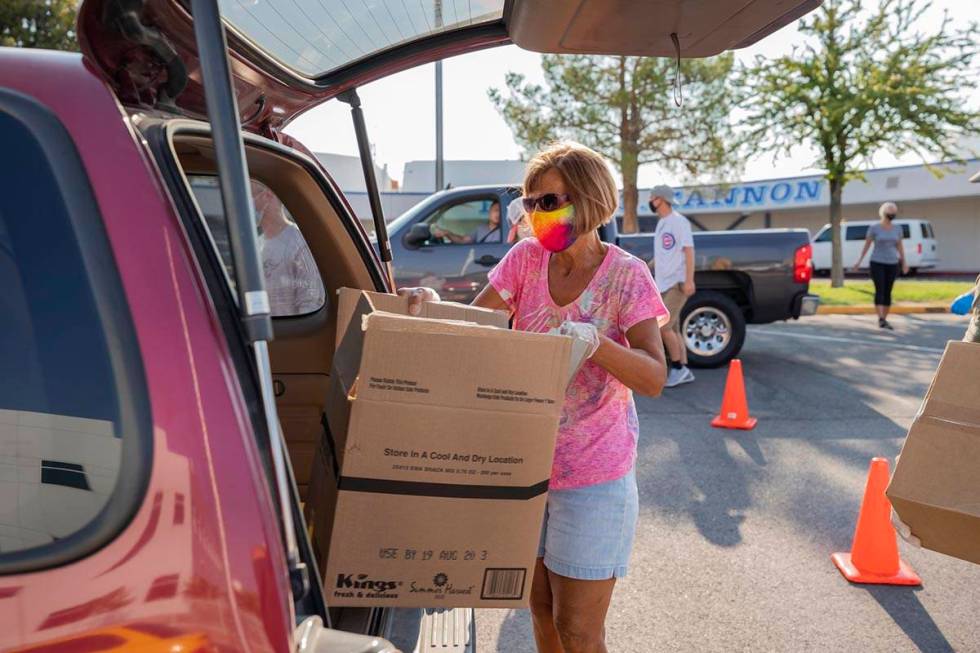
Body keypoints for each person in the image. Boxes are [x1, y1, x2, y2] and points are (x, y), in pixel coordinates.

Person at [402, 141, 669, 653]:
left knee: (580, 631)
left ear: (589, 201)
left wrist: (595, 343)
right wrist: (432, 306)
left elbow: (654, 376)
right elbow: (476, 326)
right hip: (523, 471)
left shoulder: (626, 276)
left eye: (549, 201)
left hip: (593, 477)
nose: (535, 214)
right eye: (529, 202)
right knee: (542, 617)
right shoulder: (524, 261)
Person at [252, 181, 325, 316]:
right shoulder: (257, 245)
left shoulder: (299, 242)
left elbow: (311, 302)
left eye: (249, 196)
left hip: (290, 335)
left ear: (268, 196)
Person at [649, 184, 696, 387]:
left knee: (664, 327)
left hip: (677, 283)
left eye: (652, 198)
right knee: (674, 329)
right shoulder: (662, 224)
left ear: (661, 199)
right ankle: (684, 368)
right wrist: (645, 266)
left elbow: (688, 251)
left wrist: (689, 280)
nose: (650, 201)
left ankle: (678, 368)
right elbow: (663, 254)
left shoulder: (679, 222)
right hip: (663, 284)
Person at [852, 201, 909, 330]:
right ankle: (881, 318)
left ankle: (885, 317)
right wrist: (859, 261)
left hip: (892, 263)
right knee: (880, 289)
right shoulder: (874, 228)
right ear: (883, 213)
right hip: (877, 262)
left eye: (894, 213)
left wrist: (904, 262)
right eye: (890, 212)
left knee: (888, 291)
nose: (892, 215)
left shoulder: (897, 229)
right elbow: (867, 245)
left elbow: (900, 246)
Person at [432, 200, 501, 244]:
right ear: (489, 212)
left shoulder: (506, 230)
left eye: (501, 211)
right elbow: (463, 240)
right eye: (496, 210)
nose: (498, 214)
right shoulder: (480, 229)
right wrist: (447, 233)